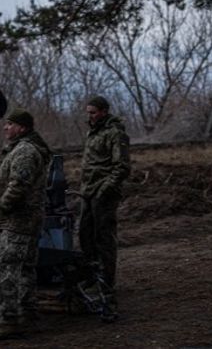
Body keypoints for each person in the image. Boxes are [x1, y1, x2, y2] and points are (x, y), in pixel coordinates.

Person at [0, 108, 51, 341]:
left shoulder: (24, 151)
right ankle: (29, 316)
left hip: (20, 220)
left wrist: (3, 204)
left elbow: (19, 185)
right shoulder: (23, 148)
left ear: (22, 128)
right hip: (27, 217)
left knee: (5, 269)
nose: (5, 128)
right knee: (25, 268)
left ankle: (10, 320)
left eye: (10, 124)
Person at [79, 95, 130, 320]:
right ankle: (92, 280)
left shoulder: (114, 133)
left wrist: (103, 190)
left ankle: (107, 287)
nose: (89, 116)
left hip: (103, 195)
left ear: (104, 111)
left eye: (93, 112)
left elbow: (121, 167)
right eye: (88, 112)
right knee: (85, 237)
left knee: (104, 241)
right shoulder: (94, 131)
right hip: (88, 193)